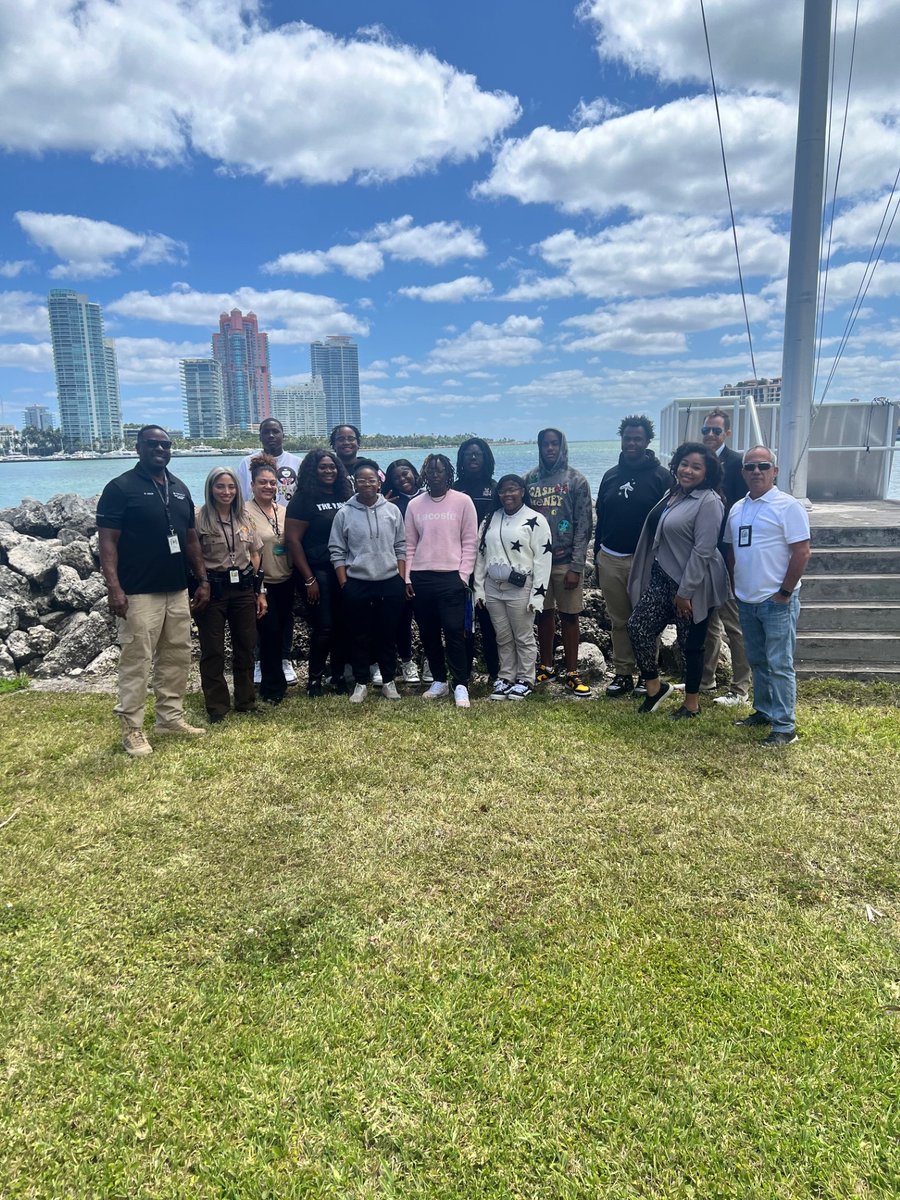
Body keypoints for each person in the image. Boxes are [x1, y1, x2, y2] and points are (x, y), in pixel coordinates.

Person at [97, 425, 208, 757]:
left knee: (176, 654)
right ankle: (132, 728)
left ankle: (169, 717)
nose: (160, 449)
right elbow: (107, 543)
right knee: (137, 660)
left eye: (165, 445)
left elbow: (190, 539)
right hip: (138, 591)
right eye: (152, 445)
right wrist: (114, 588)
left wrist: (202, 579)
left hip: (175, 588)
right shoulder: (120, 488)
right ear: (138, 448)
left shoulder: (178, 488)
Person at [626, 442, 729, 719]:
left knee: (690, 644)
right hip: (662, 577)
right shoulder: (674, 494)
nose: (688, 470)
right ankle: (654, 687)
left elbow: (704, 550)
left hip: (693, 583)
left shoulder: (709, 501)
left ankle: (692, 704)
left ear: (707, 472)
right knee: (638, 627)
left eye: (697, 467)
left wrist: (685, 593)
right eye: (685, 464)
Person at [724, 446, 811, 747]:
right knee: (758, 661)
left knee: (779, 664)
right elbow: (732, 550)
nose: (756, 471)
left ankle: (785, 726)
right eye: (750, 467)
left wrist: (784, 592)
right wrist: (737, 585)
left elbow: (801, 552)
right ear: (743, 472)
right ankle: (763, 710)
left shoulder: (788, 506)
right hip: (747, 599)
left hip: (777, 601)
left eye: (763, 466)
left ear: (774, 471)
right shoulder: (737, 508)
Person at [593, 415, 672, 698]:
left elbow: (668, 521)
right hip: (610, 558)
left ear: (648, 441)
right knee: (619, 620)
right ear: (622, 439)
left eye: (638, 439)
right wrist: (597, 555)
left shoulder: (662, 476)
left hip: (646, 561)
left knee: (646, 621)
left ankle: (647, 673)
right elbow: (601, 517)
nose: (632, 444)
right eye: (628, 438)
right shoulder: (610, 476)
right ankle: (624, 673)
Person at [523, 428, 593, 697]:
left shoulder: (577, 480)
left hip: (566, 561)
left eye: (555, 444)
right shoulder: (529, 479)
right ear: (539, 447)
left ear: (562, 446)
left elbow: (583, 525)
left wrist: (577, 566)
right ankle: (547, 665)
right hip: (537, 561)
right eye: (545, 444)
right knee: (543, 614)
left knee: (570, 616)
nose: (550, 449)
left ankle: (573, 671)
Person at [405, 454, 478, 708]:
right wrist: (407, 578)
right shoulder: (415, 505)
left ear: (449, 473)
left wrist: (463, 575)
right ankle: (439, 680)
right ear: (424, 475)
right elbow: (410, 544)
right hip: (421, 577)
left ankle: (460, 684)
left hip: (452, 578)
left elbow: (470, 542)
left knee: (455, 632)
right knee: (428, 633)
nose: (435, 475)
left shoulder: (463, 501)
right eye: (431, 471)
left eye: (440, 470)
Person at [193, 466, 266, 722]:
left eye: (231, 487)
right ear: (210, 489)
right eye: (220, 486)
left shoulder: (245, 518)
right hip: (213, 590)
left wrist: (259, 591)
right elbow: (194, 556)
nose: (226, 492)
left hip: (244, 590)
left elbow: (255, 553)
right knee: (213, 650)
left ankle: (246, 701)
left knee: (246, 646)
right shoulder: (199, 518)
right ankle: (217, 706)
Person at [329, 465, 407, 702]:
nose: (366, 484)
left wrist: (401, 579)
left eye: (370, 480)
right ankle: (361, 682)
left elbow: (401, 546)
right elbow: (337, 550)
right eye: (361, 480)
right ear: (355, 483)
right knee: (359, 635)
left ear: (379, 483)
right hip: (357, 582)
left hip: (389, 581)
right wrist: (344, 583)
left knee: (387, 634)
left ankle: (388, 681)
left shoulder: (392, 511)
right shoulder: (344, 513)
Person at [473, 475, 552, 700]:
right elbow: (480, 555)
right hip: (493, 588)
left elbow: (542, 560)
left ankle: (526, 678)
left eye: (513, 489)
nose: (508, 494)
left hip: (520, 587)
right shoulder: (490, 518)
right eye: (503, 491)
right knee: (502, 636)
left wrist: (538, 596)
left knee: (523, 636)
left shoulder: (535, 520)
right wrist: (478, 589)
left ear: (522, 491)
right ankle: (506, 676)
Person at [237, 417, 300, 683]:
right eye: (266, 432)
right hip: (261, 575)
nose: (268, 487)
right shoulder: (245, 507)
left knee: (286, 618)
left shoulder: (285, 507)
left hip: (285, 570)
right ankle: (261, 664)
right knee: (263, 621)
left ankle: (284, 661)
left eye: (276, 431)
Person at [284, 448, 353, 696]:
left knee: (344, 625)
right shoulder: (303, 499)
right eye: (323, 467)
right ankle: (314, 680)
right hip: (317, 571)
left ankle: (338, 676)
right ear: (313, 470)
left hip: (343, 570)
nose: (329, 471)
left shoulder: (345, 494)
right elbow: (292, 541)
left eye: (332, 467)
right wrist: (309, 578)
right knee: (324, 626)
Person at [698, 408, 752, 706]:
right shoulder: (697, 462)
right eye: (706, 430)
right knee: (706, 622)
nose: (710, 435)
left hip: (727, 554)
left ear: (726, 434)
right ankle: (706, 680)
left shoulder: (737, 464)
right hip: (700, 556)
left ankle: (741, 688)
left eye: (716, 431)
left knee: (734, 624)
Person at [244, 455, 293, 706]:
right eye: (262, 483)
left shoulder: (282, 511)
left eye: (272, 483)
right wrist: (258, 589)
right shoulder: (244, 512)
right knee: (270, 635)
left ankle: (279, 683)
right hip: (263, 584)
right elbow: (248, 553)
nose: (268, 487)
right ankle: (272, 688)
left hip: (286, 580)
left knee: (283, 633)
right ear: (252, 485)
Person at [455, 438, 501, 685]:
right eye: (468, 455)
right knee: (464, 622)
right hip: (461, 565)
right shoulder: (455, 489)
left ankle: (495, 672)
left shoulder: (495, 489)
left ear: (486, 459)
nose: (473, 458)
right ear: (461, 460)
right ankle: (464, 672)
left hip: (490, 565)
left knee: (490, 621)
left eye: (478, 455)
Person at [383, 459, 425, 682]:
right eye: (397, 477)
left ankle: (430, 662)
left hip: (427, 567)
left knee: (429, 619)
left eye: (406, 473)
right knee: (402, 619)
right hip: (399, 567)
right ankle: (407, 663)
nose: (403, 479)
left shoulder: (428, 497)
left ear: (414, 473)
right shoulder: (390, 503)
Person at [236, 418, 301, 504]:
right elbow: (241, 497)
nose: (271, 436)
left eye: (275, 431)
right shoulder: (247, 463)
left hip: (290, 516)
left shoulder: (298, 463)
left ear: (283, 436)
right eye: (266, 432)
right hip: (255, 515)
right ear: (260, 437)